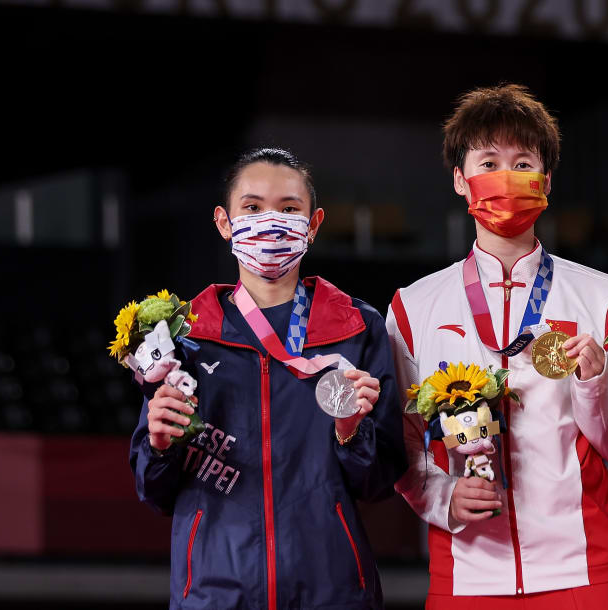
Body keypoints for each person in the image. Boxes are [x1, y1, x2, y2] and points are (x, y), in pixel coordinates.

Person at [386, 84, 608, 609]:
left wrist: (592, 384)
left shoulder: (603, 295)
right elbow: (400, 442)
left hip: (584, 567)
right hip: (466, 576)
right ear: (461, 179)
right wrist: (443, 497)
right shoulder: (414, 307)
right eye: (488, 160)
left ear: (545, 180)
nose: (506, 176)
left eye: (523, 162)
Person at [129, 148, 406, 609]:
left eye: (289, 209)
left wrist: (351, 433)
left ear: (313, 224)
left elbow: (380, 484)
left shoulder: (358, 327)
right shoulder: (184, 336)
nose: (271, 221)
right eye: (252, 208)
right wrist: (160, 445)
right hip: (215, 593)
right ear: (224, 222)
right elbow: (153, 492)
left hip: (332, 593)